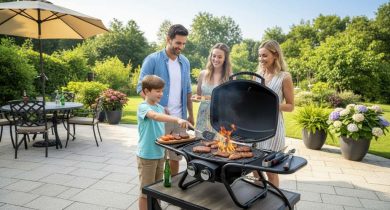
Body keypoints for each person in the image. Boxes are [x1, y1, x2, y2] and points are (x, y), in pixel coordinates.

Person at [137, 24, 194, 176]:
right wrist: (158, 107)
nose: (180, 47)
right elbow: (140, 88)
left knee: (176, 157)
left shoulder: (185, 62)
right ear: (168, 39)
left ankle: (173, 190)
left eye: (183, 43)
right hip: (160, 118)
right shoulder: (153, 60)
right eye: (178, 43)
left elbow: (188, 90)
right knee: (160, 157)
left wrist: (191, 115)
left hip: (179, 117)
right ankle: (160, 189)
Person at [137, 75, 191, 210]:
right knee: (145, 192)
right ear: (146, 91)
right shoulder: (143, 107)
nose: (161, 94)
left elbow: (160, 127)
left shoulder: (160, 108)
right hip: (147, 155)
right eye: (157, 91)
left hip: (160, 154)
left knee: (156, 189)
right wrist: (176, 119)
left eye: (162, 91)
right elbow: (154, 117)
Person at [254, 40, 294, 187]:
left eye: (264, 56)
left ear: (275, 55)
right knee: (255, 167)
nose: (261, 59)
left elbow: (290, 106)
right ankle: (259, 195)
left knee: (271, 169)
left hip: (274, 128)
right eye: (259, 56)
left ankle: (274, 201)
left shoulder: (284, 77)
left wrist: (271, 105)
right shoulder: (257, 75)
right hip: (255, 126)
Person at [192, 43, 232, 137]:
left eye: (219, 57)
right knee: (199, 144)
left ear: (225, 58)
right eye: (214, 56)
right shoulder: (203, 74)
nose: (216, 59)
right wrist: (196, 98)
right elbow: (199, 96)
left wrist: (210, 98)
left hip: (219, 119)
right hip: (202, 116)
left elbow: (230, 102)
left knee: (216, 147)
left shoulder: (230, 77)